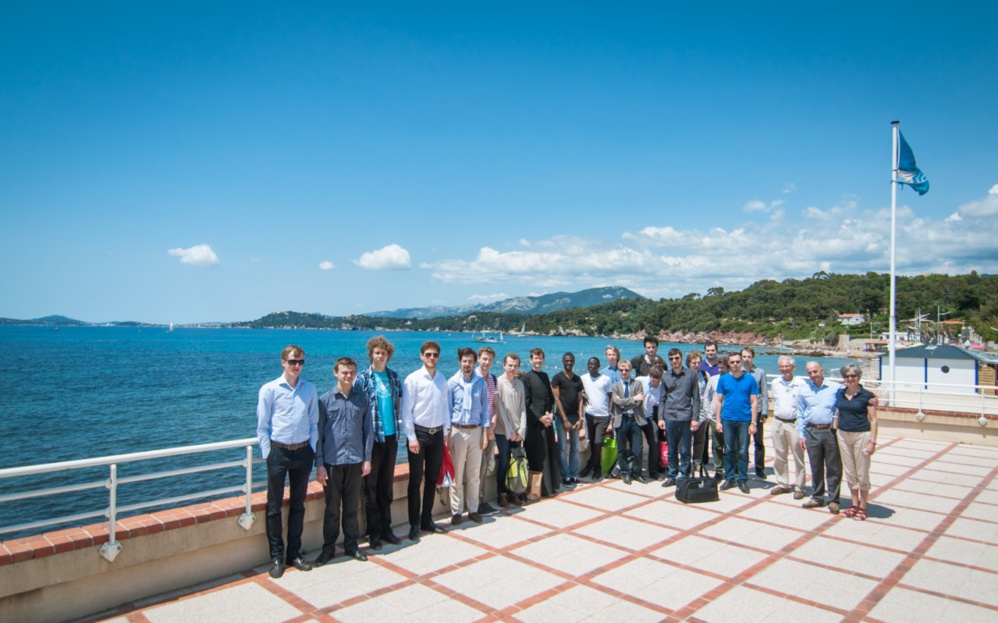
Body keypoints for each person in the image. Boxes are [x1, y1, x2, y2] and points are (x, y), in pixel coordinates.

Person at [256, 345, 318, 578]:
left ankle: (294, 553)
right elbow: (262, 426)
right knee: (273, 507)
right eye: (292, 361)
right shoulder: (269, 390)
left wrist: (311, 449)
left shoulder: (309, 389)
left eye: (300, 362)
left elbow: (314, 423)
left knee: (298, 505)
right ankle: (276, 557)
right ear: (283, 362)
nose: (297, 366)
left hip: (303, 453)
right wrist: (268, 454)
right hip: (278, 454)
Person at [314, 357, 373, 565]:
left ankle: (351, 546)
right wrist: (319, 464)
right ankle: (328, 549)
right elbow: (318, 435)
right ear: (335, 373)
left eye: (351, 372)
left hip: (355, 460)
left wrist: (367, 459)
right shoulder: (325, 400)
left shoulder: (363, 398)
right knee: (331, 509)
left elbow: (368, 431)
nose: (348, 376)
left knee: (351, 507)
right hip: (332, 462)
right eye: (344, 372)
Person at [355, 336, 404, 549]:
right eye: (377, 353)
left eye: (383, 353)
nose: (380, 356)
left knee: (386, 486)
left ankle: (387, 528)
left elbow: (399, 405)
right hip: (371, 440)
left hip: (391, 437)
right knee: (370, 487)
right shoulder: (363, 378)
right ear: (371, 354)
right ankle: (373, 533)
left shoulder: (393, 377)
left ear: (388, 355)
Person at [401, 341, 451, 541]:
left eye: (435, 355)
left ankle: (426, 520)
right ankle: (414, 524)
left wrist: (446, 432)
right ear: (421, 356)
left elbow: (445, 406)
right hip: (419, 436)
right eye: (428, 354)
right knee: (415, 481)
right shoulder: (412, 379)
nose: (432, 358)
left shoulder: (442, 379)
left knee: (432, 480)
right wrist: (411, 436)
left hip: (437, 435)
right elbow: (406, 410)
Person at [447, 348, 490, 525]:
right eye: (464, 361)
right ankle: (456, 511)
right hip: (458, 431)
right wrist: (448, 436)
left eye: (470, 361)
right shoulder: (451, 383)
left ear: (475, 362)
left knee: (474, 473)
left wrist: (485, 435)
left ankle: (473, 509)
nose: (467, 364)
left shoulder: (481, 383)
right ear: (460, 362)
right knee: (456, 473)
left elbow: (485, 411)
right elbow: (448, 411)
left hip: (476, 430)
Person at [797, 362, 843, 514]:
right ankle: (817, 497)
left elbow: (853, 393)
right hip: (811, 431)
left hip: (829, 431)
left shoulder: (835, 388)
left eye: (815, 371)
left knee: (833, 467)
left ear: (822, 371)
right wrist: (801, 435)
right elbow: (800, 413)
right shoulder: (804, 390)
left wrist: (871, 398)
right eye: (810, 372)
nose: (813, 375)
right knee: (815, 466)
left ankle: (833, 500)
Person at [836, 364, 878, 521]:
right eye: (847, 376)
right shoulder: (840, 393)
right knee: (850, 471)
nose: (850, 379)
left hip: (862, 435)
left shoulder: (867, 396)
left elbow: (873, 420)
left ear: (858, 376)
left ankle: (863, 506)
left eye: (853, 375)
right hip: (843, 434)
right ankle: (854, 504)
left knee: (862, 472)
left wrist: (872, 442)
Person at [715, 352, 759, 494]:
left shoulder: (750, 379)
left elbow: (754, 402)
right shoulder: (723, 379)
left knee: (743, 451)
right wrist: (717, 421)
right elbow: (719, 401)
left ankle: (743, 479)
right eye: (732, 362)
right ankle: (729, 478)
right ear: (729, 363)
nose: (735, 364)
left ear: (741, 362)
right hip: (727, 419)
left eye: (737, 362)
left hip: (744, 420)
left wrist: (753, 423)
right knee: (728, 450)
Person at [660, 348, 701, 487]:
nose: (674, 361)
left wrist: (695, 418)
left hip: (685, 416)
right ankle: (672, 475)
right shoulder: (666, 376)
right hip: (670, 416)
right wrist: (661, 418)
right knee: (671, 449)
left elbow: (696, 398)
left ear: (682, 358)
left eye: (676, 358)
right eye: (671, 359)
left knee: (685, 449)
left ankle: (684, 475)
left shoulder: (691, 375)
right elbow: (662, 399)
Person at [523, 348, 561, 497]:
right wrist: (539, 417)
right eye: (535, 358)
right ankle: (539, 489)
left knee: (549, 453)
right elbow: (527, 402)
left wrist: (551, 414)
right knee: (538, 455)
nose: (538, 361)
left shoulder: (545, 376)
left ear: (543, 360)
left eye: (540, 358)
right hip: (534, 424)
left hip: (547, 422)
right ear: (531, 360)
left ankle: (551, 487)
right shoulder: (526, 378)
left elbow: (550, 399)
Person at [769, 356, 806, 499]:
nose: (784, 369)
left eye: (787, 366)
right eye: (782, 366)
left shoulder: (801, 384)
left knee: (798, 456)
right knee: (780, 455)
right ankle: (783, 483)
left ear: (793, 367)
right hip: (778, 422)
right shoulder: (775, 382)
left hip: (794, 423)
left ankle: (800, 486)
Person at [494, 353, 527, 507]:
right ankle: (501, 493)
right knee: (504, 461)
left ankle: (514, 492)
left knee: (516, 462)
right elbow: (499, 409)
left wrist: (521, 430)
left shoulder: (519, 384)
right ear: (504, 365)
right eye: (510, 365)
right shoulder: (498, 383)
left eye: (515, 365)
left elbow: (522, 408)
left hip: (517, 431)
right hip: (502, 431)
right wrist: (509, 431)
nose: (512, 368)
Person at [611, 360, 647, 484]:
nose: (624, 372)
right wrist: (632, 399)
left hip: (635, 420)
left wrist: (625, 402)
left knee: (637, 449)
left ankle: (637, 473)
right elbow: (617, 402)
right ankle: (625, 473)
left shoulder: (637, 384)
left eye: (626, 370)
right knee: (621, 449)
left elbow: (639, 402)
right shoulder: (615, 386)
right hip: (622, 420)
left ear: (630, 371)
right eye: (621, 370)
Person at [551, 352, 585, 485]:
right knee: (562, 447)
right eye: (566, 361)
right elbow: (557, 399)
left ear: (574, 362)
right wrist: (564, 419)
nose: (569, 363)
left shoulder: (577, 379)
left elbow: (580, 400)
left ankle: (573, 474)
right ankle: (565, 475)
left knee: (575, 447)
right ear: (562, 362)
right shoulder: (557, 378)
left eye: (571, 361)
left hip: (574, 416)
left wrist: (581, 418)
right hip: (561, 418)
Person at [579, 356, 614, 482]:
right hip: (590, 414)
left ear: (598, 366)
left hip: (603, 416)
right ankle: (596, 467)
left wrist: (610, 412)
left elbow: (611, 396)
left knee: (598, 442)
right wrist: (583, 395)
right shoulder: (583, 378)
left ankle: (591, 465)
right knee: (592, 442)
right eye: (589, 364)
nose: (591, 366)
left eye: (593, 364)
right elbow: (579, 391)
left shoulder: (606, 379)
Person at [474, 346, 500, 515]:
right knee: (477, 466)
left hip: (489, 429)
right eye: (484, 359)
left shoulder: (493, 379)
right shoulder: (473, 377)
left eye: (489, 359)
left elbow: (495, 405)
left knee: (484, 466)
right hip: (476, 429)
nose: (486, 362)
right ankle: (474, 501)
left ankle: (481, 500)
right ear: (478, 359)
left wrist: (493, 423)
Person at [741, 347, 769, 479]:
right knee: (742, 443)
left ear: (753, 357)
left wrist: (764, 412)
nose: (746, 359)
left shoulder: (760, 372)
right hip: (742, 412)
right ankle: (742, 467)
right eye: (744, 356)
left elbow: (764, 393)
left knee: (758, 442)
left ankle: (759, 468)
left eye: (748, 357)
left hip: (756, 412)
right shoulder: (737, 372)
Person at [686, 350, 711, 474]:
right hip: (688, 411)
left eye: (698, 362)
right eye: (693, 362)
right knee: (686, 439)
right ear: (689, 363)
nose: (696, 365)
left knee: (700, 440)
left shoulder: (705, 375)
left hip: (702, 411)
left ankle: (697, 461)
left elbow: (709, 393)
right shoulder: (685, 375)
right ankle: (686, 462)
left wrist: (708, 411)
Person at [704, 356, 729, 476]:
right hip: (714, 417)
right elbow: (707, 396)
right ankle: (718, 469)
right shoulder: (713, 379)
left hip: (729, 417)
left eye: (723, 368)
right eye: (719, 368)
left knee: (730, 445)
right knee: (717, 445)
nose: (720, 370)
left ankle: (730, 468)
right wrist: (708, 412)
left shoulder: (732, 379)